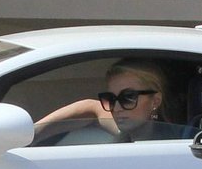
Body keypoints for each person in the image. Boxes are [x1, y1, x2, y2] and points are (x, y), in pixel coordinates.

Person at [34, 59, 193, 143]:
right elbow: (90, 107)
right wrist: (28, 136)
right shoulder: (125, 128)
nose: (116, 108)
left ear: (155, 101)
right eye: (111, 98)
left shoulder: (178, 142)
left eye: (128, 98)